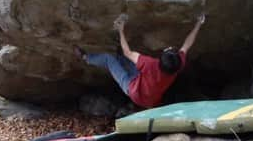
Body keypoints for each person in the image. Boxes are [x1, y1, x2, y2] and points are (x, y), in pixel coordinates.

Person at [75, 13, 205, 108]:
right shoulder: (177, 65)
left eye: (168, 50)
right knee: (124, 60)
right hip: (150, 98)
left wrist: (121, 30)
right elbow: (187, 45)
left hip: (134, 91)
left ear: (159, 60)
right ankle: (117, 52)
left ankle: (86, 58)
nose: (170, 47)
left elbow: (128, 52)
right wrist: (199, 23)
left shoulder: (150, 64)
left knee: (109, 59)